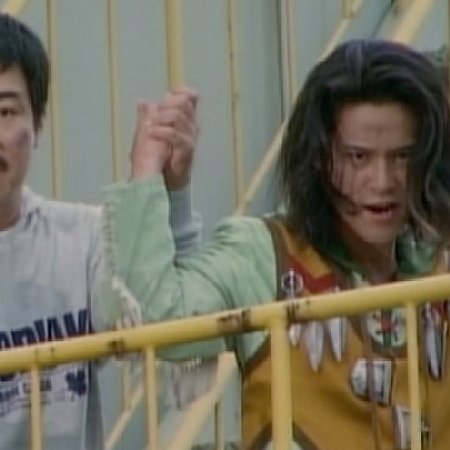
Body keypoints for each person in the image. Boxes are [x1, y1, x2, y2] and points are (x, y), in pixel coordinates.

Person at [105, 38, 450, 450]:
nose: (383, 181)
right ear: (319, 158)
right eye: (358, 157)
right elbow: (155, 319)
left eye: (402, 157)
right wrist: (149, 175)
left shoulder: (437, 264)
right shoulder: (266, 253)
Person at [0, 13, 201, 450]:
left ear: (37, 125)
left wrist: (165, 191)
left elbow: (179, 345)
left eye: (6, 111)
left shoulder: (84, 239)